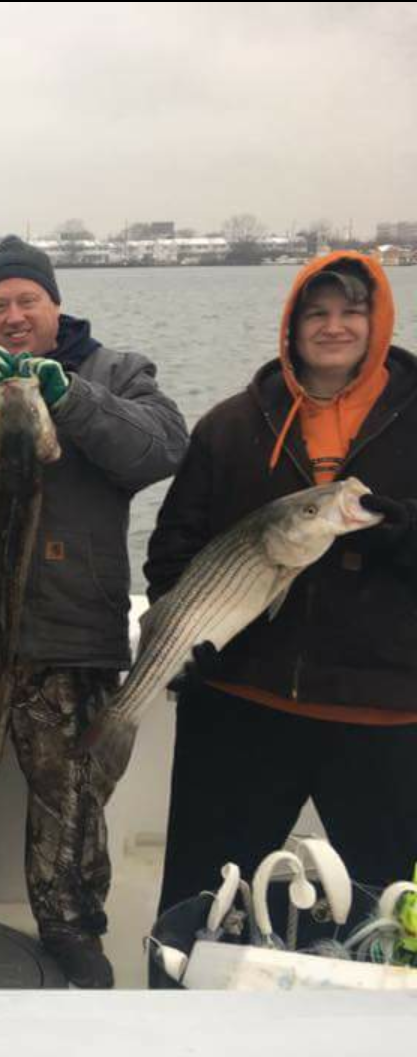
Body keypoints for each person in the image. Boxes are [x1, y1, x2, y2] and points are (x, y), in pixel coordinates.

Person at [0, 235, 188, 986]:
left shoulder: (120, 373)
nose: (14, 315)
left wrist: (71, 396)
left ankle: (71, 926)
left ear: (56, 305)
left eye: (28, 300)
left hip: (75, 636)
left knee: (74, 797)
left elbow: (159, 448)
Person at [146, 252, 417, 915]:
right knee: (201, 905)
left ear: (377, 319)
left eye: (351, 311)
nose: (333, 326)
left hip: (383, 707)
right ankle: (183, 1013)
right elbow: (173, 548)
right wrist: (185, 634)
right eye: (316, 313)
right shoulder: (232, 424)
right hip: (241, 700)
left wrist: (403, 532)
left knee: (393, 917)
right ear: (290, 327)